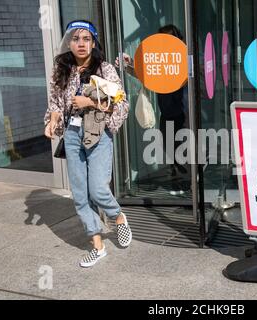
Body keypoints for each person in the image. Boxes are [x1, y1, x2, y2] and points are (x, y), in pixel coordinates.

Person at [44, 20, 132, 268]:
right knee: (80, 195)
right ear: (69, 43)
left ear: (94, 43)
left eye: (86, 39)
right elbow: (55, 103)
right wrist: (51, 122)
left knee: (98, 189)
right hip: (71, 136)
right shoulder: (61, 69)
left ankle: (118, 218)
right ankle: (98, 245)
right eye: (76, 39)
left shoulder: (104, 70)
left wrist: (90, 103)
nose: (81, 44)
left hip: (98, 134)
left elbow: (121, 104)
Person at [116, 25, 189, 195]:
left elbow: (186, 78)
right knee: (168, 144)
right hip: (167, 111)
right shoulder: (161, 60)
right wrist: (129, 66)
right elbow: (146, 76)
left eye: (168, 38)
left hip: (182, 110)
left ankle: (186, 183)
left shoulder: (182, 58)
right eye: (162, 38)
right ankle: (178, 178)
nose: (164, 42)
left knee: (182, 145)